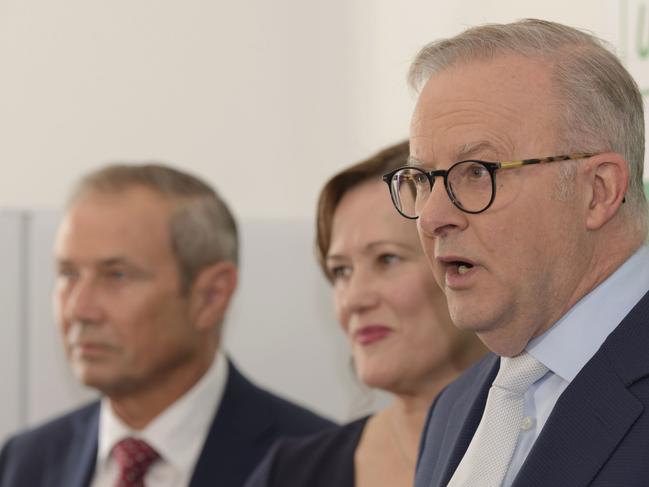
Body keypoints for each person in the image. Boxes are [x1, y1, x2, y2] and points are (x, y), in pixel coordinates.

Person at [382, 19, 649, 487]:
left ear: (599, 191)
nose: (431, 217)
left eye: (477, 171)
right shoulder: (453, 409)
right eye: (422, 179)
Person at [0, 163, 334, 487]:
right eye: (68, 274)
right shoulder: (26, 460)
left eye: (117, 275)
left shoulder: (317, 463)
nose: (79, 309)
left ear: (211, 296)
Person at [246, 141, 486, 487]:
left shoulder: (551, 445)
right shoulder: (289, 473)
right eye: (341, 271)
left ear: (463, 265)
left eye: (387, 259)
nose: (353, 300)